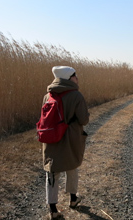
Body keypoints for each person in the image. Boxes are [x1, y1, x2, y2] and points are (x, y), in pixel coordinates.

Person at [41, 66, 89, 219]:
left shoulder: (47, 96)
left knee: (52, 171)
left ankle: (53, 209)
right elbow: (84, 120)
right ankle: (73, 199)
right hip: (70, 138)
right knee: (72, 166)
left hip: (51, 138)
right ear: (69, 78)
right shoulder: (76, 95)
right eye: (75, 76)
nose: (77, 78)